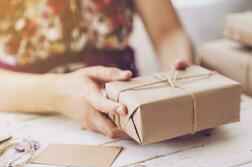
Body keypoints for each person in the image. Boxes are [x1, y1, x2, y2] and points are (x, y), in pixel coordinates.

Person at [0, 0, 195, 138]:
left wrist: (175, 78)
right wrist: (57, 92)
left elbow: (168, 32)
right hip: (25, 117)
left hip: (126, 114)